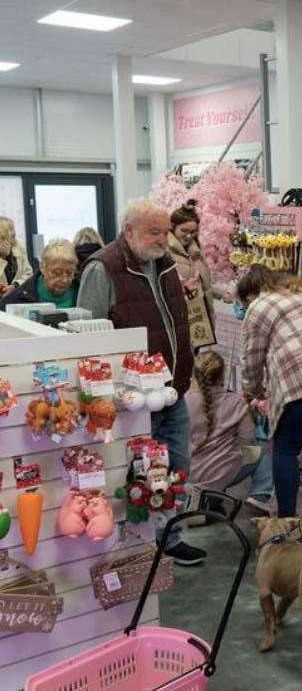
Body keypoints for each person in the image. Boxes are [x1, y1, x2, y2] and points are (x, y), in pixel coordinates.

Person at [77, 199, 203, 566]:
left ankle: (171, 536)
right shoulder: (104, 268)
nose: (164, 239)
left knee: (176, 467)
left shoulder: (165, 264)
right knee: (135, 472)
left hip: (171, 390)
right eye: (155, 232)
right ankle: (140, 543)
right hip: (130, 395)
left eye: (165, 232)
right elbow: (89, 332)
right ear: (129, 230)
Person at [237, 264, 302, 518]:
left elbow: (251, 357)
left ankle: (286, 522)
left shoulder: (259, 306)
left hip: (299, 385)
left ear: (251, 294)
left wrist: (252, 391)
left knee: (285, 449)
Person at [186, 350, 273, 511]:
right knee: (267, 450)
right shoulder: (235, 402)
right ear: (221, 376)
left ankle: (204, 499)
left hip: (189, 473)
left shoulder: (184, 400)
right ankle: (259, 496)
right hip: (222, 472)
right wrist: (251, 414)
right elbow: (248, 438)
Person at [167, 199, 216, 345]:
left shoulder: (196, 252)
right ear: (173, 228)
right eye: (184, 231)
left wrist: (221, 293)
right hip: (178, 321)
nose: (189, 236)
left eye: (193, 232)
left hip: (199, 319)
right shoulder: (164, 253)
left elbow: (203, 284)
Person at [0, 239, 78, 309]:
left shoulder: (82, 291)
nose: (64, 280)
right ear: (42, 268)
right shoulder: (18, 298)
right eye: (57, 273)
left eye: (69, 273)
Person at [0, 216, 32, 298]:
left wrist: (15, 285)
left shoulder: (19, 247)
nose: (14, 233)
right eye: (9, 230)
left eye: (13, 229)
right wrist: (2, 257)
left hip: (17, 296)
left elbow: (28, 274)